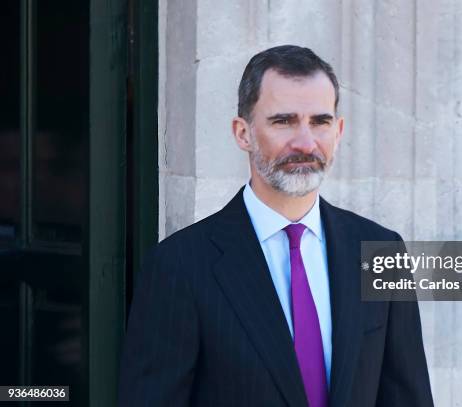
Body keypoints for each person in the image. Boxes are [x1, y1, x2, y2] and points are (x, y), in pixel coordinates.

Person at [118, 45, 434, 407]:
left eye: (320, 121)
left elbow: (407, 397)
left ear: (339, 130)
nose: (305, 142)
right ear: (243, 133)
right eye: (283, 121)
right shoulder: (179, 265)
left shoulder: (380, 249)